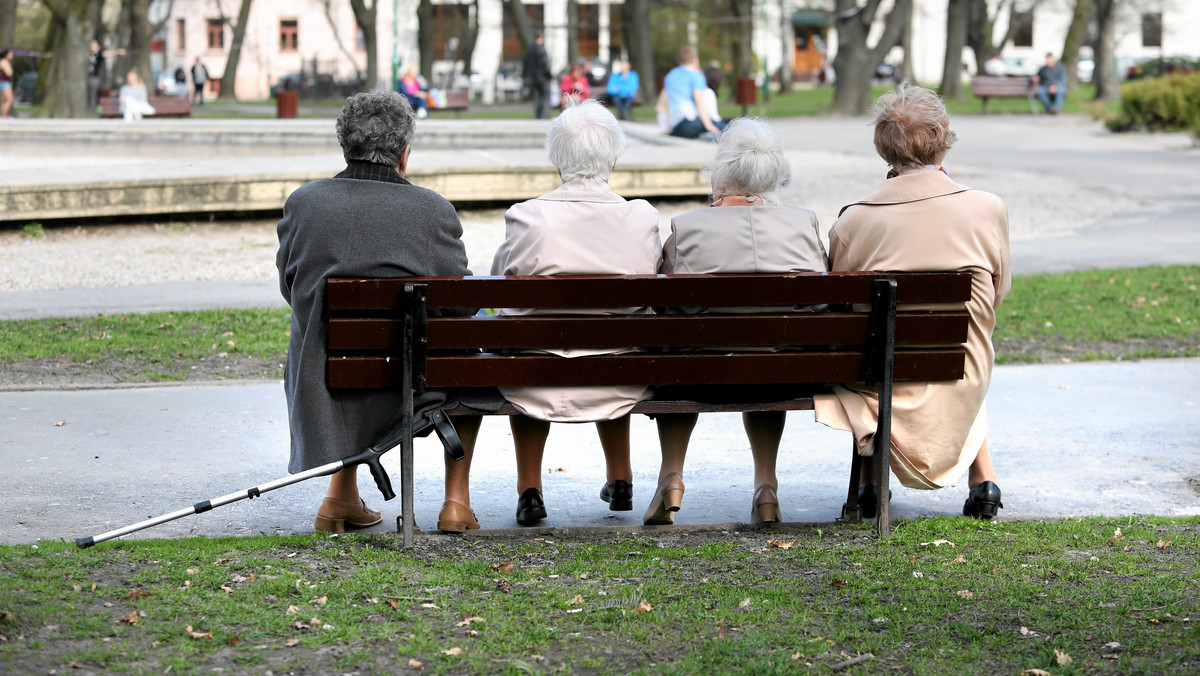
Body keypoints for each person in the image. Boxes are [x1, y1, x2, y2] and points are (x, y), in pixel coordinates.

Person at [276, 90, 483, 535]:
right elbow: (463, 303)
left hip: (328, 376)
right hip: (414, 384)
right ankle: (455, 502)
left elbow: (293, 290)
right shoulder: (432, 210)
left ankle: (340, 496)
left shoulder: (304, 204)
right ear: (404, 154)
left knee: (330, 341)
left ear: (344, 146)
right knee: (468, 348)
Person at [814, 83, 1010, 520]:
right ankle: (985, 480)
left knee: (871, 351)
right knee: (954, 346)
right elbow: (997, 294)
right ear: (943, 140)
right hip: (961, 371)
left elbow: (845, 312)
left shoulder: (854, 220)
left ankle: (869, 483)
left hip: (881, 379)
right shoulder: (987, 208)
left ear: (883, 149)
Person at [647, 118, 828, 526]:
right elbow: (820, 307)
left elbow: (667, 310)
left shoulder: (687, 227)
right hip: (786, 375)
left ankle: (671, 476)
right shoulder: (804, 223)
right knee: (767, 353)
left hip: (701, 376)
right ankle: (766, 486)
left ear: (723, 171)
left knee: (680, 355)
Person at [489, 99, 661, 526]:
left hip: (535, 377)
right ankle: (620, 477)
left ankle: (529, 489)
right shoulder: (640, 217)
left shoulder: (527, 217)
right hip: (618, 376)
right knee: (616, 341)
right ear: (614, 160)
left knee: (528, 350)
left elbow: (497, 286)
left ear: (557, 161)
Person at [663, 45, 724, 139]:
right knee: (725, 128)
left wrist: (667, 128)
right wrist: (708, 125)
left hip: (675, 126)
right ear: (695, 60)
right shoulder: (696, 75)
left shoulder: (670, 76)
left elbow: (665, 103)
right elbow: (699, 100)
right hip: (689, 123)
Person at [522, 31, 553, 119]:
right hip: (543, 78)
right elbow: (545, 64)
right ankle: (544, 115)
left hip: (532, 78)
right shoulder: (541, 49)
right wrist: (549, 74)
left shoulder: (529, 49)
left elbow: (525, 63)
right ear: (541, 38)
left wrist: (525, 76)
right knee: (545, 97)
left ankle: (538, 114)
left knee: (536, 97)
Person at [0, 50, 12, 120]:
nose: (11, 55)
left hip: (4, 82)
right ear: (6, 55)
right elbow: (9, 73)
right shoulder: (4, 62)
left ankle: (4, 115)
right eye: (10, 54)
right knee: (9, 99)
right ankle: (4, 116)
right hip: (4, 82)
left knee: (4, 100)